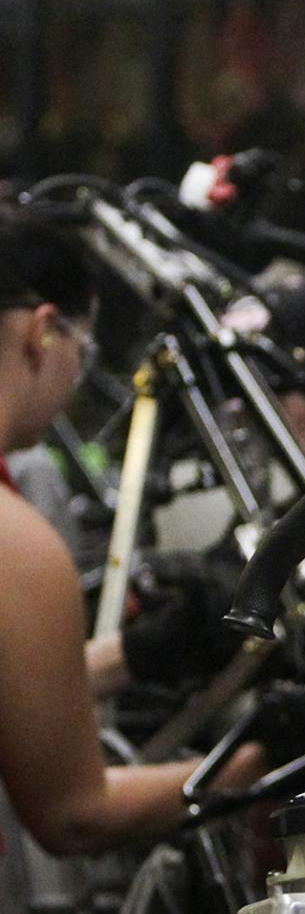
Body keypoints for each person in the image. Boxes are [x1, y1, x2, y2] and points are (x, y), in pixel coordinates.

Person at [0, 213, 255, 857]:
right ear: (42, 335)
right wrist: (272, 759)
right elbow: (76, 816)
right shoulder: (15, 544)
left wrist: (132, 656)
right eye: (83, 356)